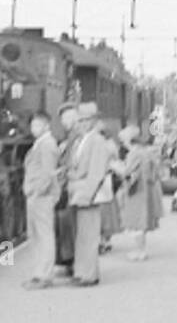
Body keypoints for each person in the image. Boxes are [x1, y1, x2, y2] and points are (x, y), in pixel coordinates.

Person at [66, 103, 114, 286]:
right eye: (79, 120)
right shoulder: (82, 140)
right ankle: (82, 271)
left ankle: (89, 275)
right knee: (82, 236)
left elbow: (96, 171)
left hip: (88, 195)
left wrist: (86, 194)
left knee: (89, 235)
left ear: (92, 121)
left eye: (84, 120)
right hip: (78, 194)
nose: (80, 123)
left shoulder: (96, 141)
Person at [21, 111, 61, 289]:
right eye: (32, 125)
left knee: (44, 235)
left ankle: (44, 275)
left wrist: (37, 192)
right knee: (36, 235)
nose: (33, 129)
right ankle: (38, 273)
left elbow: (48, 172)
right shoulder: (40, 143)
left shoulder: (47, 144)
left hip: (41, 196)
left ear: (46, 126)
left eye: (37, 125)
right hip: (35, 195)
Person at [120, 125, 163, 260]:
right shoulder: (147, 152)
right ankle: (142, 250)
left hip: (136, 189)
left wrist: (114, 166)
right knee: (142, 220)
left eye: (123, 140)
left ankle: (139, 251)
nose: (122, 143)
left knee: (136, 220)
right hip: (147, 188)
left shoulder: (134, 153)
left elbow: (126, 171)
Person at [54, 103, 82, 277]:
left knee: (69, 224)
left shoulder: (77, 137)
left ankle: (72, 262)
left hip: (71, 186)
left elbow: (74, 162)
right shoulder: (71, 137)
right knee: (65, 224)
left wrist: (62, 172)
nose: (64, 122)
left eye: (66, 118)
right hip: (67, 185)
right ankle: (68, 260)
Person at [99, 119, 125, 254]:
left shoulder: (103, 145)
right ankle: (105, 240)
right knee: (108, 211)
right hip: (107, 181)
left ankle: (102, 240)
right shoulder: (111, 144)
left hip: (103, 182)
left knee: (103, 212)